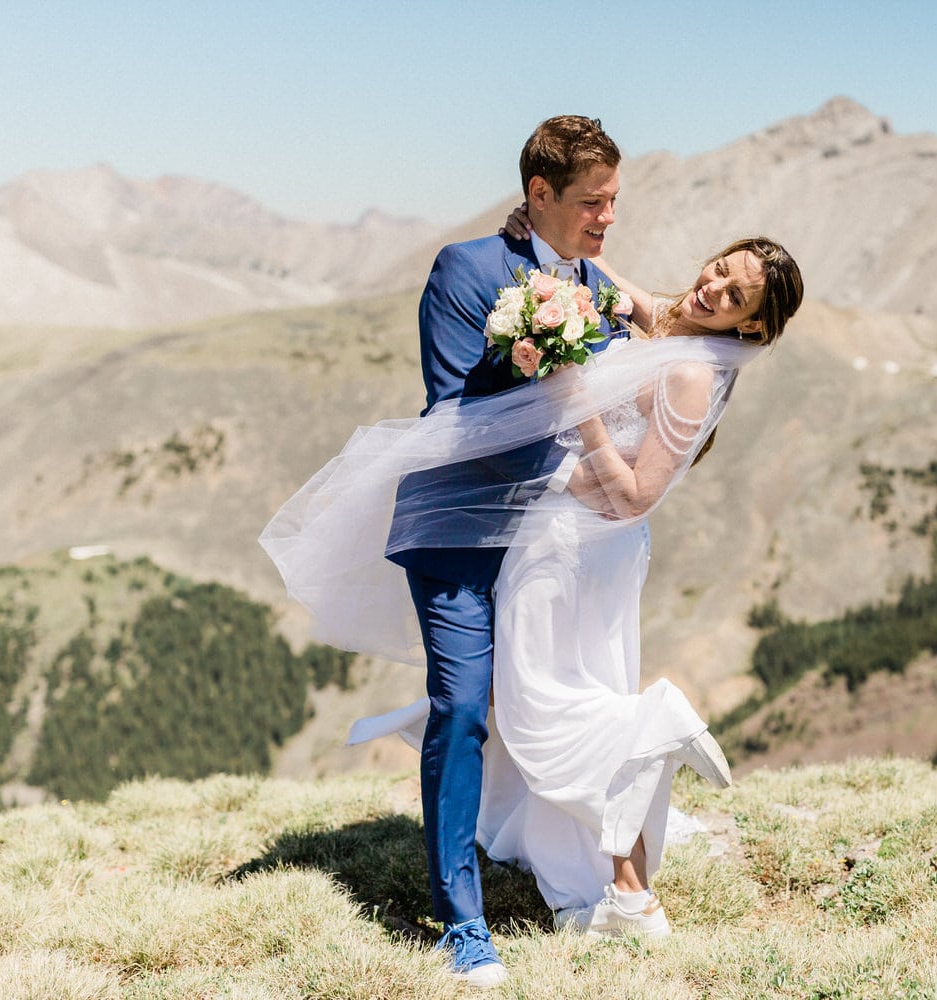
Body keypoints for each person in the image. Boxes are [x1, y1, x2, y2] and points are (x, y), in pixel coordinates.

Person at [261, 231, 802, 972]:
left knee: (543, 708)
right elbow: (611, 284)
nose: (713, 287)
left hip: (579, 554)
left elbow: (639, 496)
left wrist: (578, 405)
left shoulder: (694, 374)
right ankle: (624, 891)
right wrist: (549, 284)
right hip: (554, 535)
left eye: (735, 295)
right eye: (720, 267)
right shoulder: (672, 320)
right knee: (548, 696)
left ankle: (652, 745)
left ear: (750, 329)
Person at [268, 115, 623, 990]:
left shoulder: (595, 277)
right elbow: (454, 412)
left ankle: (563, 861)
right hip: (460, 526)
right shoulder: (465, 271)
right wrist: (554, 375)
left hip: (549, 534)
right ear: (539, 195)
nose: (608, 217)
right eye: (593, 202)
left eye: (615, 201)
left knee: (555, 701)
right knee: (463, 706)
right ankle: (460, 922)